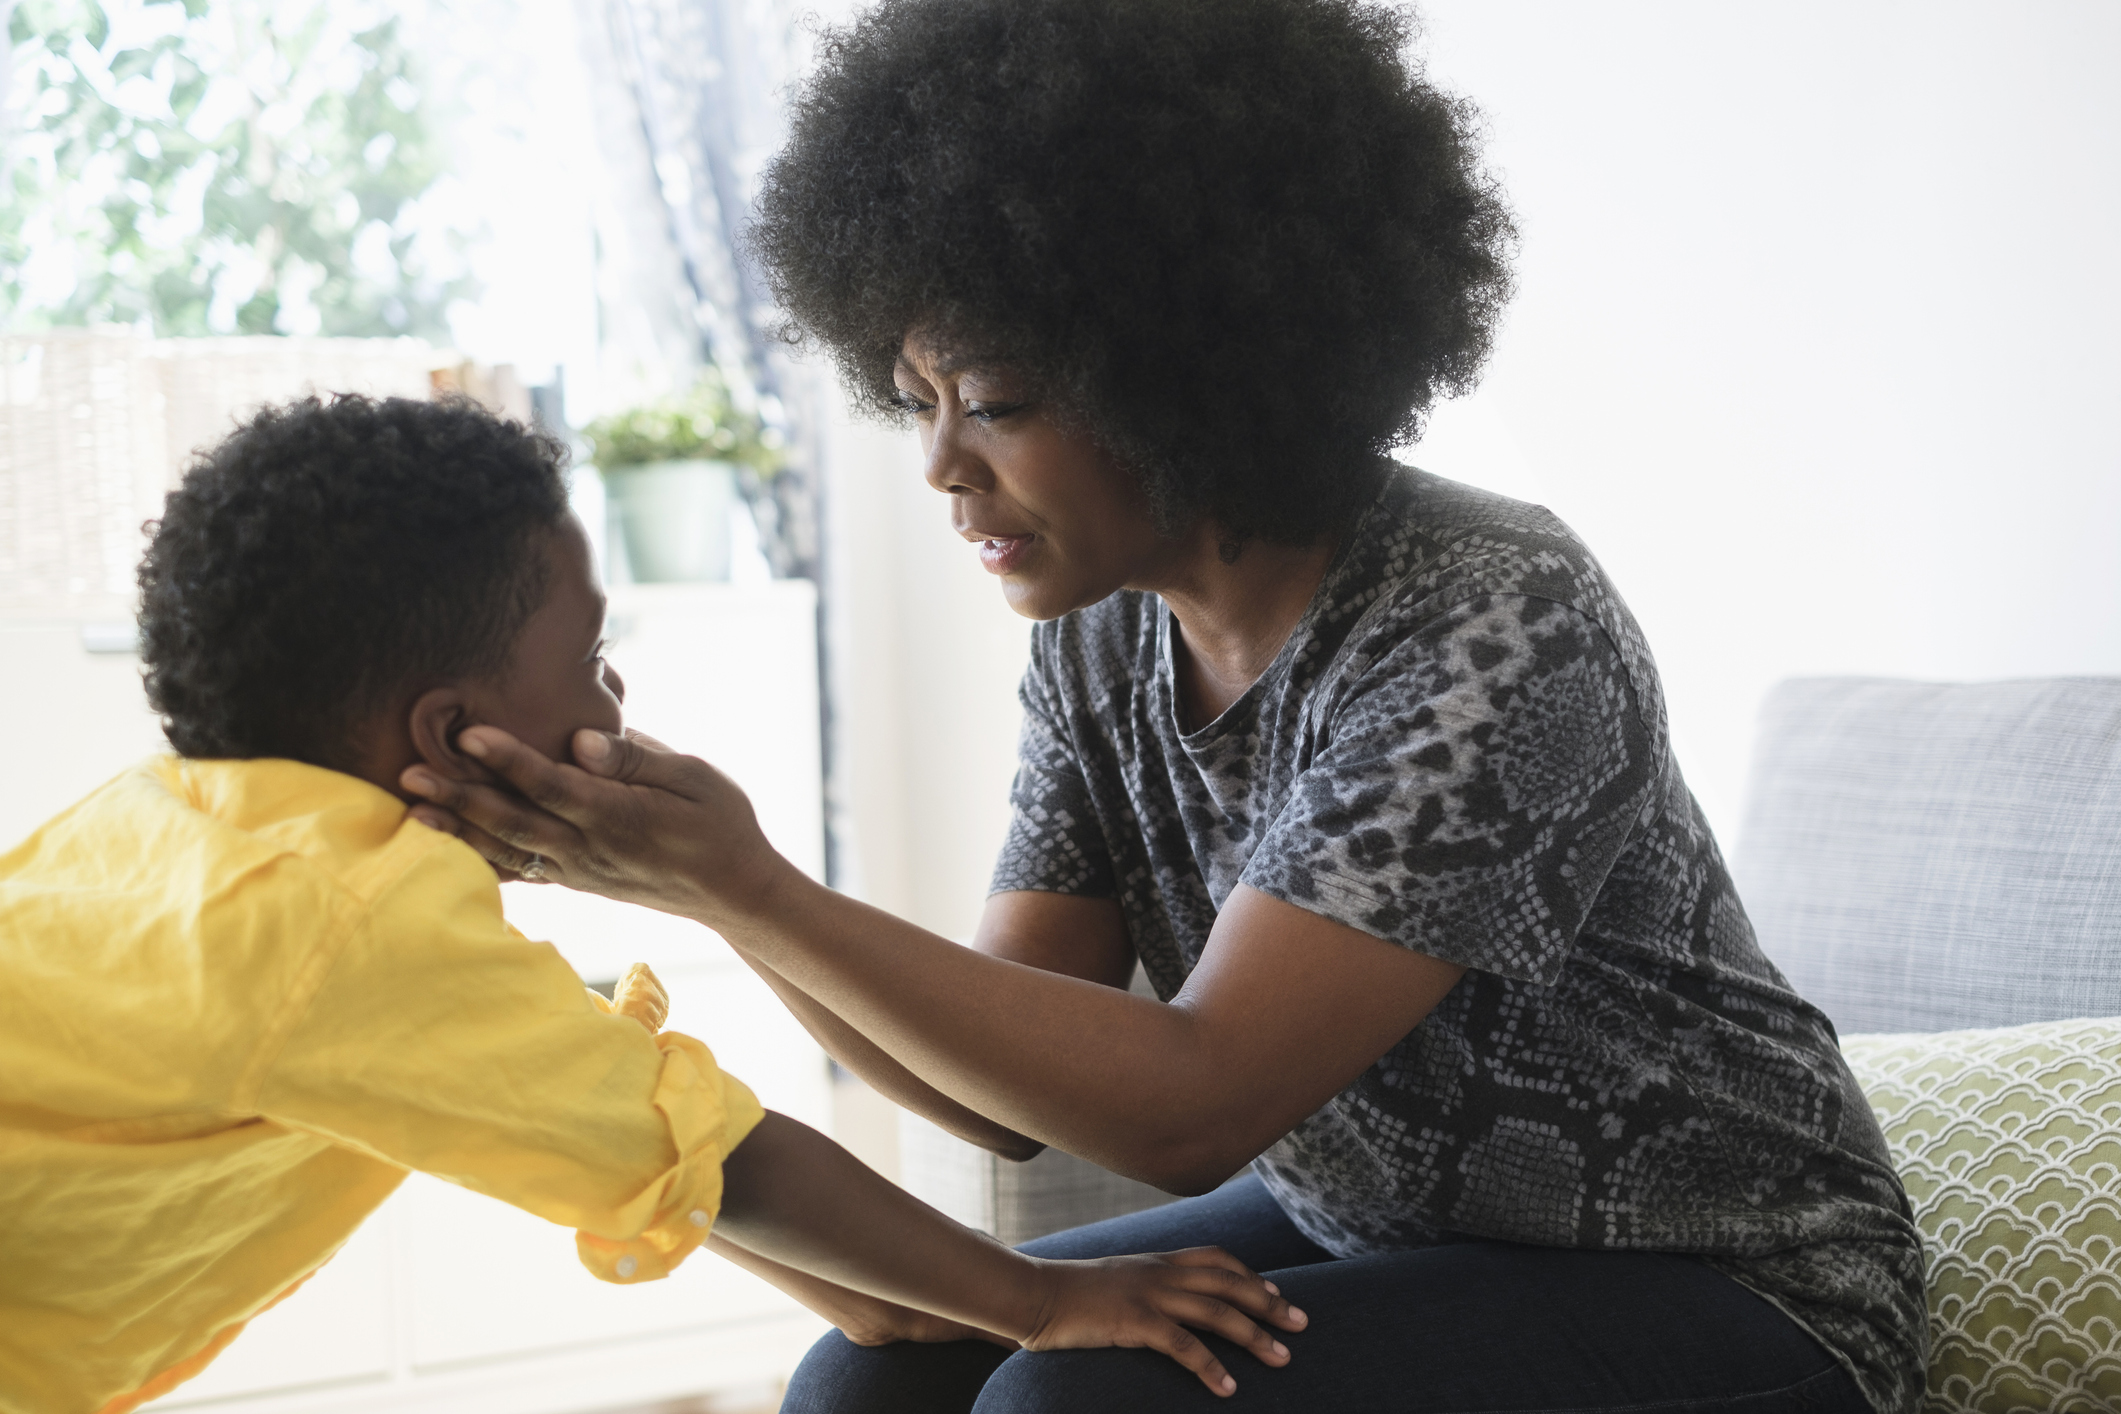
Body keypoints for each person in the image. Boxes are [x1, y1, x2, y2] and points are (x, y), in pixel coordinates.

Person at [400, 1, 1930, 1411]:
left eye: (991, 401)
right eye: (914, 397)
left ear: (1185, 371)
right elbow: (991, 1100)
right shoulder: (1099, 631)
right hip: (1390, 1221)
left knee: (1083, 1400)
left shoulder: (1492, 616)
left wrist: (747, 878)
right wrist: (706, 886)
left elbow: (1191, 1102)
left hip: (1724, 1279)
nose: (939, 463)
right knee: (871, 1377)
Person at [0, 396, 1305, 1414]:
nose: (614, 700)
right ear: (454, 735)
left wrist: (897, 1307)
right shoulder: (346, 921)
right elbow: (734, 1163)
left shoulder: (176, 827)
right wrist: (1037, 1298)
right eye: (587, 660)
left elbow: (646, 1144)